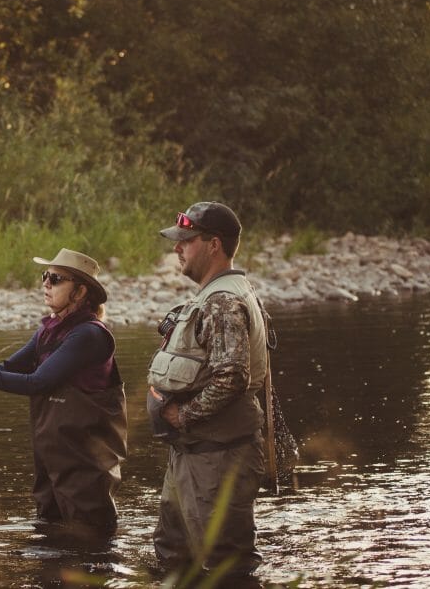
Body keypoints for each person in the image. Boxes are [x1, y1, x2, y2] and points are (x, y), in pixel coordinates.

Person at [0, 248, 128, 533]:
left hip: (85, 463)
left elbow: (38, 382)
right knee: (49, 534)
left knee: (91, 543)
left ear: (79, 292)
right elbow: (10, 367)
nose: (45, 284)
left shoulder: (89, 335)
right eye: (45, 276)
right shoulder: (49, 330)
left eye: (56, 279)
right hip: (53, 458)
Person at [147, 201, 268, 582]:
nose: (177, 248)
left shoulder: (223, 301)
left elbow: (231, 378)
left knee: (226, 569)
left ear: (213, 245)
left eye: (187, 240)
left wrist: (181, 416)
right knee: (174, 558)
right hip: (195, 455)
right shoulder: (220, 293)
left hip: (217, 460)